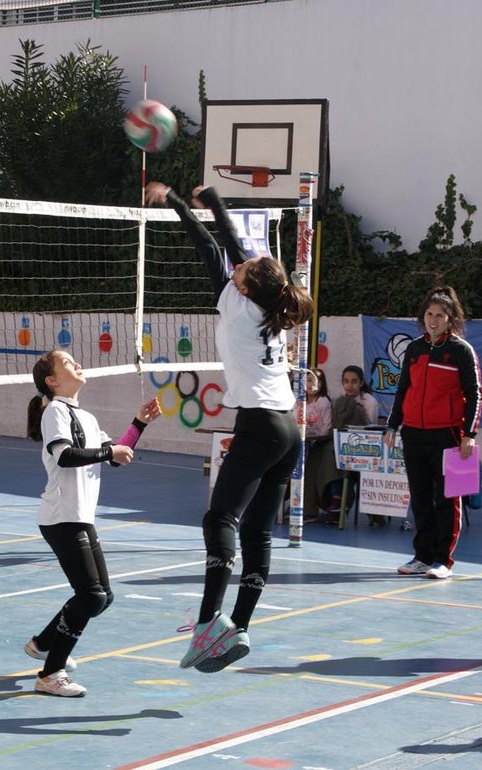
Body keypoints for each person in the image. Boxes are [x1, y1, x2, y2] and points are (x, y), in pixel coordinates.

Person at [146, 181, 313, 673]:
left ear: (244, 285)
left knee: (220, 520)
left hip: (260, 426)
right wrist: (215, 201)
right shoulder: (268, 304)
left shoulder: (235, 306)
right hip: (289, 429)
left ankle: (206, 625)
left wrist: (178, 204)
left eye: (242, 269)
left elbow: (209, 245)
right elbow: (236, 248)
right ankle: (237, 626)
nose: (238, 264)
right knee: (258, 531)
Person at [25, 349, 161, 696]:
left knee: (103, 596)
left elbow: (115, 456)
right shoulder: (55, 411)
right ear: (52, 381)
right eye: (67, 363)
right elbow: (65, 456)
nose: (77, 364)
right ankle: (50, 674)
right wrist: (110, 452)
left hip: (80, 516)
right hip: (61, 516)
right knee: (90, 596)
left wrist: (139, 424)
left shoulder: (84, 415)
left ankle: (44, 643)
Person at [384, 286, 482, 580]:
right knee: (420, 498)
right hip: (414, 433)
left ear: (451, 319)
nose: (433, 320)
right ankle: (422, 557)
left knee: (448, 499)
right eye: (429, 314)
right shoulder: (415, 349)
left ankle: (443, 560)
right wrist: (393, 425)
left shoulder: (461, 350)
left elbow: (474, 393)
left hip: (448, 435)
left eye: (440, 315)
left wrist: (469, 433)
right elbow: (403, 389)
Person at [334, 365, 382, 525]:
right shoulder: (339, 401)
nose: (350, 385)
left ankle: (371, 510)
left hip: (366, 449)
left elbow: (371, 429)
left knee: (356, 470)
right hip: (345, 449)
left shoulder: (370, 401)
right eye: (346, 381)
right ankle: (336, 507)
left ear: (361, 383)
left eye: (354, 381)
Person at [301, 368, 336, 522]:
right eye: (308, 380)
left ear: (322, 385)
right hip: (305, 441)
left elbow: (327, 426)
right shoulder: (301, 401)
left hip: (321, 442)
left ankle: (310, 509)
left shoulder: (323, 401)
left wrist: (316, 438)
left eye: (316, 381)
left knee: (310, 471)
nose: (311, 384)